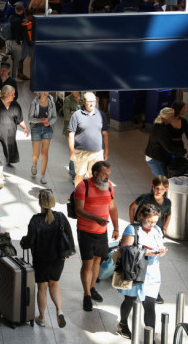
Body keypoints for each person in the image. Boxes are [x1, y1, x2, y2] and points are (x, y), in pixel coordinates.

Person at [20, 189, 73, 329]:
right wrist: (68, 251)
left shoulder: (35, 220)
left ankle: (42, 318)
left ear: (40, 203)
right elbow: (69, 236)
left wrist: (23, 241)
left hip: (41, 260)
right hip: (57, 259)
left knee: (42, 287)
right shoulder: (61, 217)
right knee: (54, 284)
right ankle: (59, 310)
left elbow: (30, 242)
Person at [116, 204, 167, 339]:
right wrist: (146, 252)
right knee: (129, 300)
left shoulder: (157, 230)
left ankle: (149, 338)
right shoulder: (132, 229)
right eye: (149, 221)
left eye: (155, 221)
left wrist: (160, 252)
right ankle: (123, 323)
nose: (152, 224)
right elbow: (124, 249)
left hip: (152, 274)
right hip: (135, 272)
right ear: (141, 217)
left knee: (149, 305)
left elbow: (160, 247)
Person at [74, 161, 119, 312]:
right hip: (85, 231)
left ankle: (92, 288)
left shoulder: (109, 187)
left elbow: (112, 207)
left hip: (101, 232)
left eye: (108, 174)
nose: (107, 177)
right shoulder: (82, 187)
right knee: (87, 263)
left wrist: (116, 227)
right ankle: (86, 295)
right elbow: (79, 210)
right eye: (104, 174)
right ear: (95, 174)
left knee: (97, 261)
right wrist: (96, 219)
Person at [0, 85, 30, 188]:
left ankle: (0, 174)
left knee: (3, 157)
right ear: (5, 94)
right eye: (12, 94)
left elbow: (19, 119)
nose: (14, 96)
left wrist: (25, 128)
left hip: (9, 137)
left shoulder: (15, 105)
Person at [68, 91, 109, 187]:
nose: (91, 104)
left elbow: (105, 134)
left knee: (95, 176)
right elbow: (71, 134)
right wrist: (72, 152)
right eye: (89, 101)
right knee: (80, 176)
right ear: (83, 101)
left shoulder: (101, 115)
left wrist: (106, 150)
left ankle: (91, 197)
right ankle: (77, 196)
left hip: (97, 152)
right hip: (81, 152)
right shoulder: (77, 115)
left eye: (93, 101)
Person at [144, 108, 184, 177]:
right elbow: (169, 148)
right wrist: (184, 151)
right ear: (168, 118)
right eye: (173, 116)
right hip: (155, 159)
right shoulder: (161, 130)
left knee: (158, 182)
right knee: (163, 181)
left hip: (156, 156)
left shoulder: (162, 125)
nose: (174, 118)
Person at [29, 92, 57, 185]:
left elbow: (54, 117)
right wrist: (39, 120)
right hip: (36, 129)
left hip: (47, 129)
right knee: (36, 154)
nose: (45, 93)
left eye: (47, 91)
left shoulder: (51, 103)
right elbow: (30, 118)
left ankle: (43, 175)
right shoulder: (34, 103)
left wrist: (49, 122)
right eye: (43, 91)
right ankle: (34, 164)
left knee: (45, 152)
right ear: (39, 92)